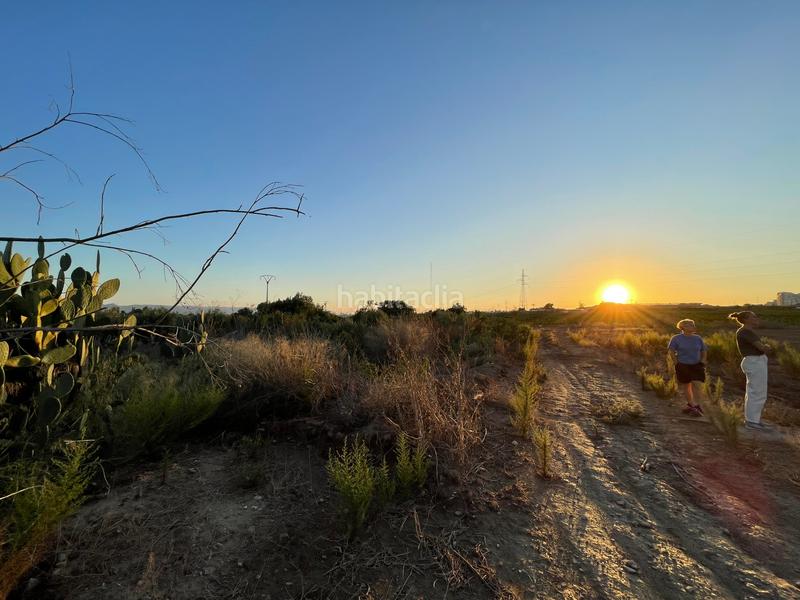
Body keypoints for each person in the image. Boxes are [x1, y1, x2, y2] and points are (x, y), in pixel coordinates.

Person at [729, 311, 772, 430]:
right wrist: (767, 347)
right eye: (753, 317)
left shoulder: (745, 331)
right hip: (754, 362)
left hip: (755, 361)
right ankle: (752, 422)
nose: (756, 318)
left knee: (756, 391)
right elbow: (762, 348)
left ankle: (753, 420)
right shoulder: (745, 332)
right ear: (746, 319)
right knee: (757, 392)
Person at [667, 319, 707, 417]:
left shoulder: (698, 338)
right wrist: (676, 363)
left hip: (697, 365)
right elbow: (671, 351)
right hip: (683, 365)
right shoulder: (676, 338)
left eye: (693, 325)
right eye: (690, 325)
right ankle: (691, 405)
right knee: (687, 385)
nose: (693, 326)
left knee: (697, 385)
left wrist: (703, 361)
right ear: (683, 327)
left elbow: (704, 350)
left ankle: (697, 405)